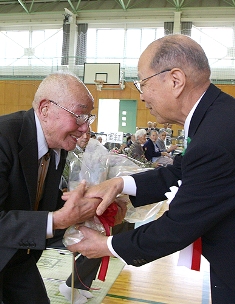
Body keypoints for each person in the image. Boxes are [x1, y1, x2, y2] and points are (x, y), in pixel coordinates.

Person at [66, 34, 235, 303]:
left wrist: (105, 246)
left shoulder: (216, 137)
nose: (142, 96)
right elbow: (177, 173)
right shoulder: (215, 118)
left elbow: (177, 227)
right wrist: (119, 184)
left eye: (142, 83)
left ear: (175, 80)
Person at [0, 71, 124, 304]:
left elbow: (34, 199)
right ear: (45, 109)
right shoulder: (3, 137)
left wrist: (90, 206)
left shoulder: (57, 147)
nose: (85, 128)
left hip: (18, 259)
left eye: (89, 118)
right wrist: (58, 220)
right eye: (79, 116)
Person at [59, 128, 102, 304]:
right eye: (81, 134)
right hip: (65, 208)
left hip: (85, 205)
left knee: (103, 236)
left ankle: (81, 285)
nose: (85, 137)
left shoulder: (92, 154)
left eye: (89, 134)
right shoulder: (66, 154)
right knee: (95, 241)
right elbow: (62, 185)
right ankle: (70, 285)